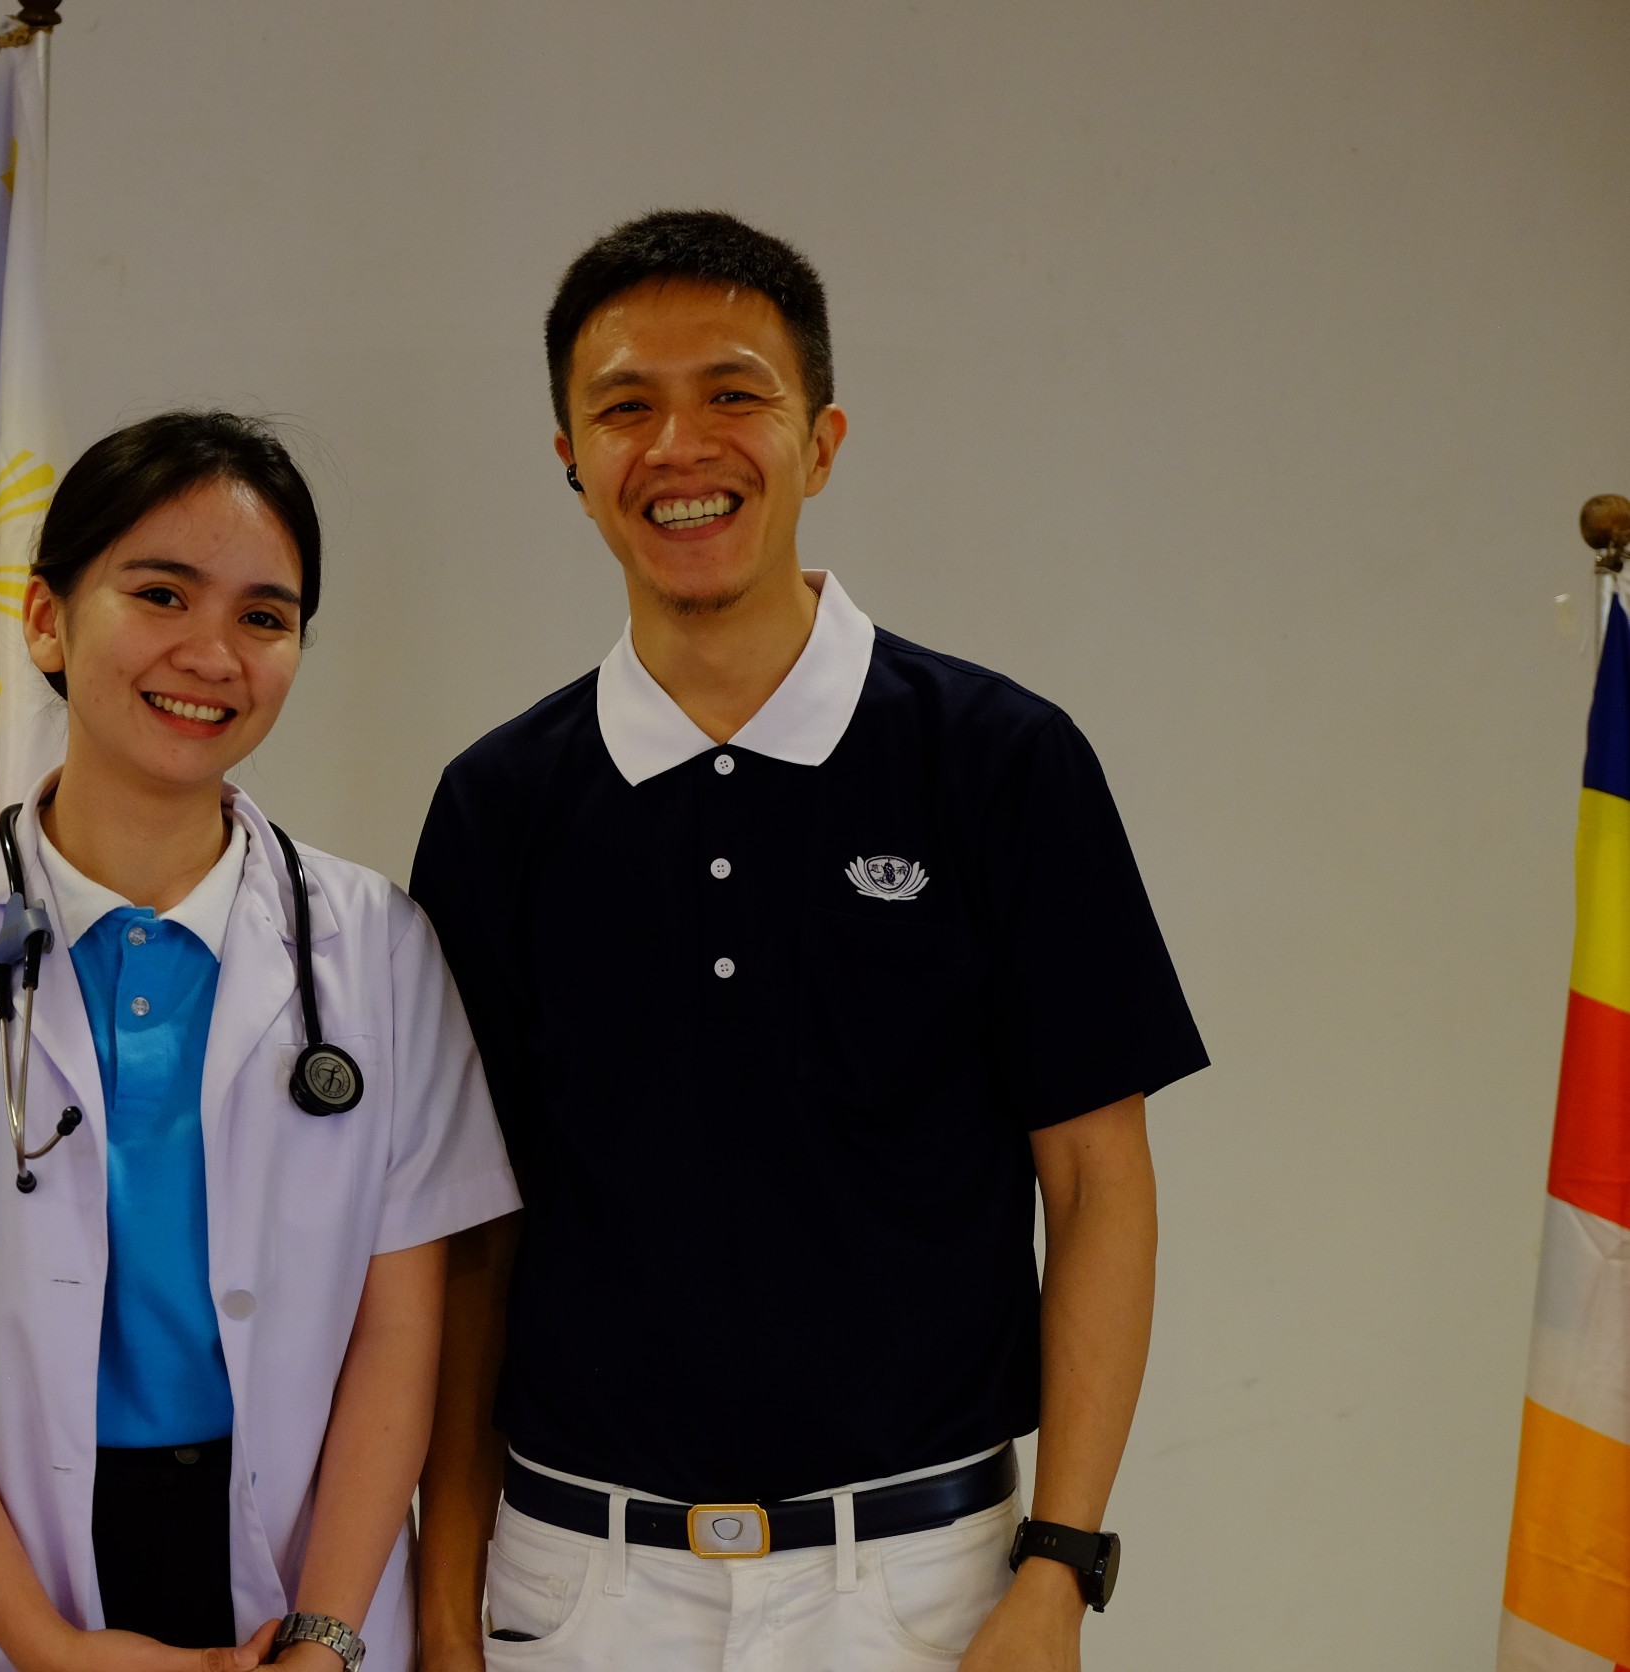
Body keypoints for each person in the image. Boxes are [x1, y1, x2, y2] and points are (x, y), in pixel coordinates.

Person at [409, 212, 1208, 1672]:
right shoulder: (499, 807)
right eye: (624, 407)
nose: (679, 446)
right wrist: (442, 1603)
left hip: (920, 1585)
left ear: (823, 441)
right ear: (571, 462)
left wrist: (1060, 1567)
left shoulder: (1000, 763)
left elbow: (1098, 1183)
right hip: (575, 1586)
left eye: (734, 395)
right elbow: (468, 1244)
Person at [0, 411, 521, 1672]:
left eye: (266, 617)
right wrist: (41, 1641)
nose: (211, 652)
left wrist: (324, 1634)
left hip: (287, 1571)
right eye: (160, 592)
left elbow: (399, 1328)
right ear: (46, 619)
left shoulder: (374, 940)